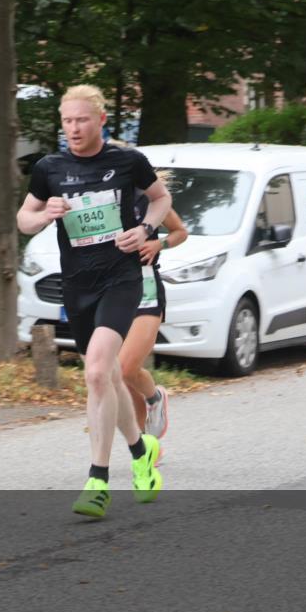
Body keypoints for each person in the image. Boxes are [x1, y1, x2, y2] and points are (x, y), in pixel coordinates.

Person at [16, 85, 172, 518]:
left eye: (82, 120)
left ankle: (97, 480)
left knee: (99, 370)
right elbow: (23, 219)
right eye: (67, 121)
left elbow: (161, 199)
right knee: (107, 379)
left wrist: (146, 231)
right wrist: (44, 214)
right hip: (78, 285)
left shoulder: (127, 161)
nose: (73, 128)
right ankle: (141, 453)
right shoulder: (50, 168)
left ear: (101, 120)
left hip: (121, 279)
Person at [119, 188, 188, 440]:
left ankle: (155, 398)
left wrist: (159, 243)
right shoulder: (97, 201)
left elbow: (180, 231)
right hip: (112, 294)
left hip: (145, 292)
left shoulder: (148, 200)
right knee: (122, 377)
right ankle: (145, 442)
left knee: (125, 368)